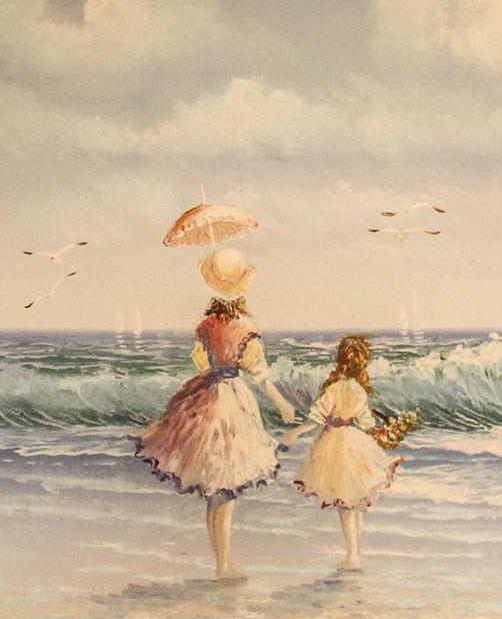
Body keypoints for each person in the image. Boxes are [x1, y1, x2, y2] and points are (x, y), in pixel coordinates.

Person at [134, 248, 296, 580]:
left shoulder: (205, 327)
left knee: (215, 489)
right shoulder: (246, 329)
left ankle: (221, 560)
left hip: (207, 396)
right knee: (227, 487)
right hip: (232, 402)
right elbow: (259, 375)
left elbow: (200, 364)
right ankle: (223, 564)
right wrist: (282, 404)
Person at [283, 335, 401, 571]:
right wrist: (385, 432)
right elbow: (366, 423)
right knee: (355, 506)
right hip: (354, 442)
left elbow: (316, 418)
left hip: (335, 445)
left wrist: (295, 432)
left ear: (340, 360)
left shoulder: (335, 389)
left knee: (345, 504)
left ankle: (352, 558)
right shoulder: (359, 391)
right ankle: (355, 555)